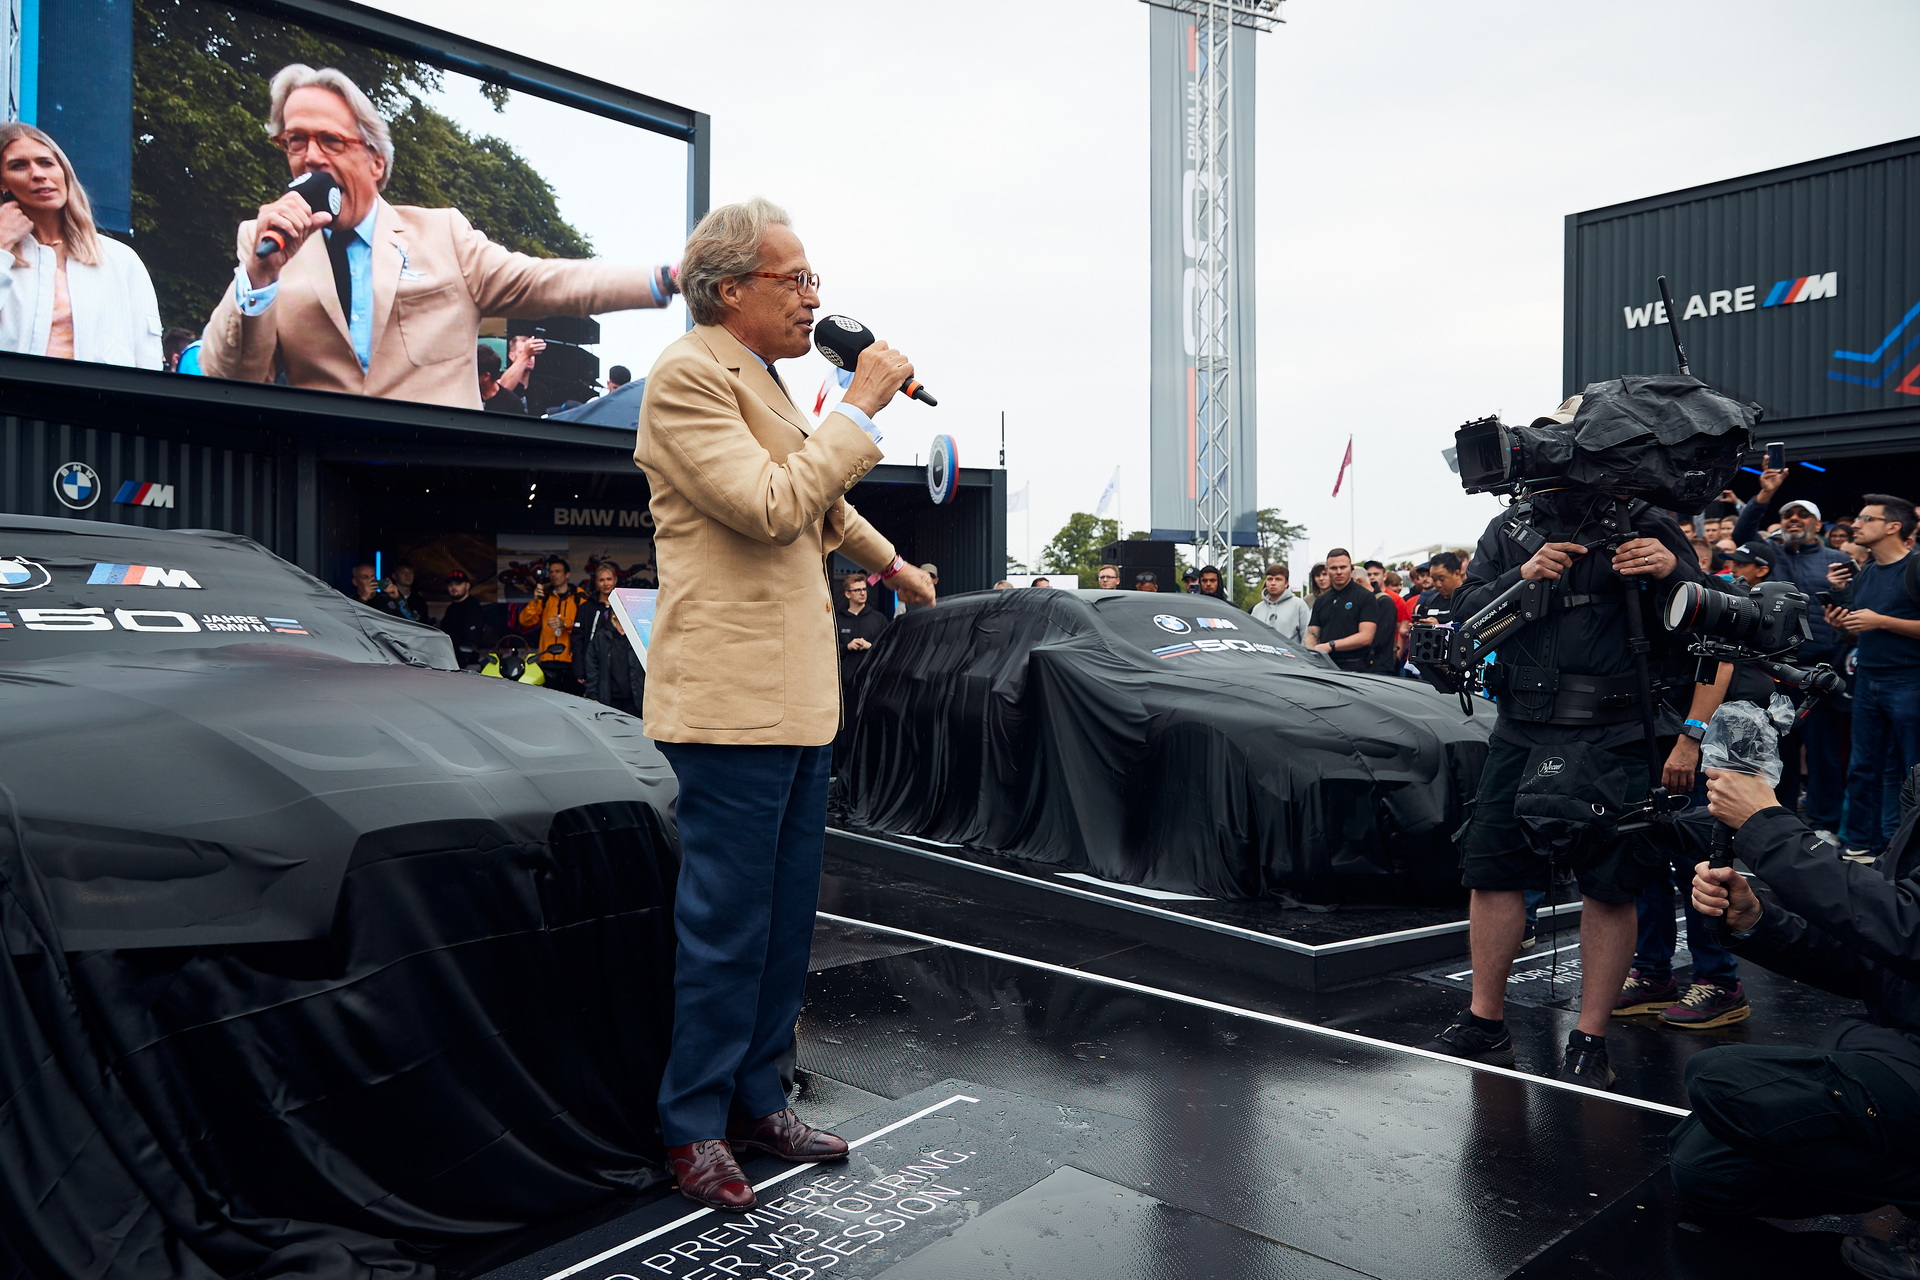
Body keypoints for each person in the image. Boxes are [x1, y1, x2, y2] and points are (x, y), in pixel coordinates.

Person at [630, 197, 935, 1212]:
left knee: (783, 922)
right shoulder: (687, 376)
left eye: (814, 280)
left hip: (799, 703)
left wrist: (894, 563)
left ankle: (761, 1096)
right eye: (795, 279)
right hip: (730, 705)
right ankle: (693, 1121)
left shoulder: (757, 377)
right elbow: (772, 505)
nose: (815, 297)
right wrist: (859, 404)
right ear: (730, 290)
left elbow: (826, 502)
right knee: (726, 926)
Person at [1420, 407, 1732, 1086]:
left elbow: (1712, 631)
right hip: (1522, 726)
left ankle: (1589, 1038)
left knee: (1611, 884)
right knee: (1494, 872)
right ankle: (1484, 1018)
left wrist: (1671, 575)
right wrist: (1525, 576)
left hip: (1619, 729)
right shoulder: (1508, 529)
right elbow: (1465, 624)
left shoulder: (1647, 521)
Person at [199, 63, 680, 408]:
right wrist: (259, 277)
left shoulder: (441, 233)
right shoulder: (266, 245)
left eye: (331, 140)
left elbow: (547, 282)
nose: (311, 157)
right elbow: (230, 378)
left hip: (438, 487)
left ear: (375, 160)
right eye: (296, 140)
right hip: (318, 486)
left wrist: (666, 277)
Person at [1682, 765, 1920, 1279]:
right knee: (1705, 1173)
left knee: (1721, 1079)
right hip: (1901, 1045)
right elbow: (1875, 956)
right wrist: (1756, 920)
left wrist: (1765, 824)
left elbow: (1906, 930)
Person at [0, 123, 162, 368]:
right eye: (19, 165)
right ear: (3, 183)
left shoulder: (119, 259)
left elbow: (147, 355)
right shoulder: (5, 253)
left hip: (99, 402)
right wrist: (2, 245)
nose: (38, 174)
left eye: (46, 162)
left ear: (64, 171)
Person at [1829, 494, 1920, 863]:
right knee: (1864, 766)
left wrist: (1880, 621)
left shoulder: (1915, 566)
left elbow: (1879, 623)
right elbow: (1859, 632)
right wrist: (1843, 628)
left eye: (1867, 518)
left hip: (1910, 682)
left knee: (1912, 770)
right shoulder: (1865, 571)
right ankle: (1864, 843)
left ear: (1893, 527)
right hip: (1868, 679)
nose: (1856, 524)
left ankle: (1909, 851)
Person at [832, 574, 889, 778]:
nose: (863, 593)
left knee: (868, 731)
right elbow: (826, 649)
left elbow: (888, 650)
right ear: (847, 594)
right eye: (858, 590)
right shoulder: (837, 620)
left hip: (870, 685)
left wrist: (870, 647)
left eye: (865, 589)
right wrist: (846, 646)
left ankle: (867, 775)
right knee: (844, 732)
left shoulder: (878, 619)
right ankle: (841, 775)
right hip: (844, 687)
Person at [1305, 549, 1378, 672]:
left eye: (1343, 567)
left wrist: (1331, 646)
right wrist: (1313, 653)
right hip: (1325, 666)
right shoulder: (1321, 601)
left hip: (1356, 666)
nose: (1339, 572)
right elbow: (1312, 634)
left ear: (1352, 568)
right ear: (1327, 570)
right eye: (1334, 568)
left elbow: (1366, 636)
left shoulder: (1366, 597)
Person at [517, 556, 581, 693]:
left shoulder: (579, 596)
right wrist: (535, 600)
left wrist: (565, 623)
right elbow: (525, 621)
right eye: (551, 572)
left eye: (558, 571)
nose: (554, 575)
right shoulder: (545, 596)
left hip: (571, 660)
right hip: (547, 659)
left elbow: (586, 626)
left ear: (567, 574)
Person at [579, 603, 645, 717]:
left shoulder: (638, 637)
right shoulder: (602, 636)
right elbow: (592, 668)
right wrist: (593, 696)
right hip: (608, 700)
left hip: (635, 701)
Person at [437, 569, 487, 667]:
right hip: (450, 662)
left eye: (458, 584)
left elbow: (472, 641)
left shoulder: (472, 607)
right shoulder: (451, 608)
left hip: (466, 665)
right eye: (450, 584)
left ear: (467, 586)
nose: (454, 587)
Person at [1249, 563, 1308, 644]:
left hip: (1291, 655)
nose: (1273, 583)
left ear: (1286, 583)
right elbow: (1251, 636)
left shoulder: (1299, 605)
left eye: (1278, 579)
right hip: (1263, 655)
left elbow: (1307, 636)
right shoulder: (1257, 609)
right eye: (1270, 579)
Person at [1413, 552, 1466, 629]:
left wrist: (1439, 628)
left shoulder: (1470, 601)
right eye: (1434, 579)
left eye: (1442, 579)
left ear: (1457, 573)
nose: (1438, 584)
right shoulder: (1428, 603)